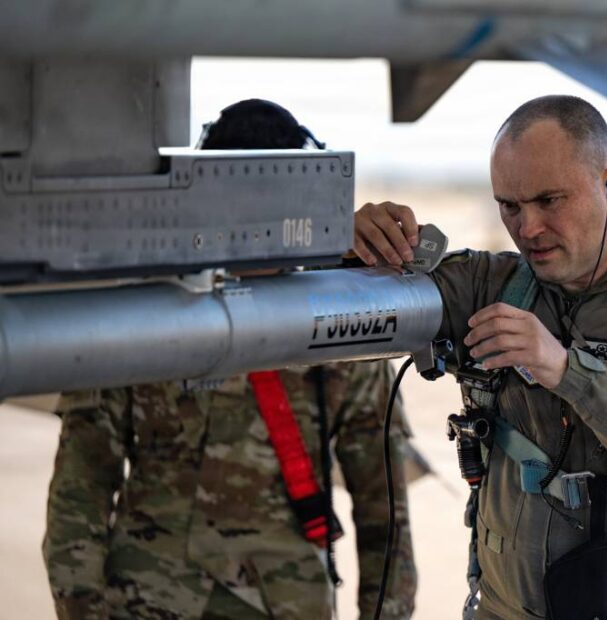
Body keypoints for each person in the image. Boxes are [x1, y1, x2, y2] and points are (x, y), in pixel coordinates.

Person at [353, 95, 607, 619]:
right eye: (510, 206)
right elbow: (334, 313)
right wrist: (354, 247)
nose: (528, 228)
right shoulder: (486, 286)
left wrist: (566, 369)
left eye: (550, 201)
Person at [43, 100, 417, 620]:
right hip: (150, 601)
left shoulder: (337, 322)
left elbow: (385, 514)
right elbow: (80, 494)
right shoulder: (145, 316)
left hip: (285, 603)